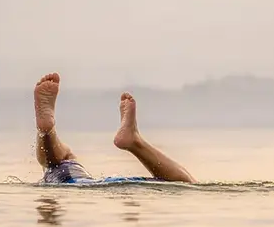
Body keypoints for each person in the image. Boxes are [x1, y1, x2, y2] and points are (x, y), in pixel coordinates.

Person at [34, 72, 195, 184]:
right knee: (185, 184)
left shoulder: (64, 177)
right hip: (117, 184)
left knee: (61, 160)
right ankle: (135, 141)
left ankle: (46, 131)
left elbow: (53, 161)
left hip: (76, 183)